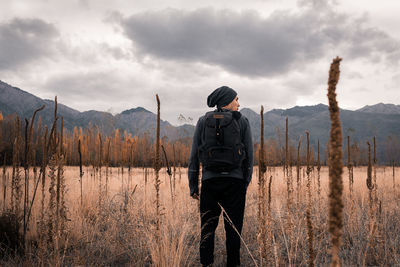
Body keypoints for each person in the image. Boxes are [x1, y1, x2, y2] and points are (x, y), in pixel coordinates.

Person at [188, 86, 253, 267]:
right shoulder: (242, 121)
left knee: (207, 228)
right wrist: (244, 183)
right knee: (233, 230)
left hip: (210, 182)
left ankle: (206, 264)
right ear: (227, 101)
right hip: (235, 183)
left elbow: (194, 156)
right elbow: (250, 156)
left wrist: (193, 186)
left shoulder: (203, 121)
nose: (239, 104)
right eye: (236, 100)